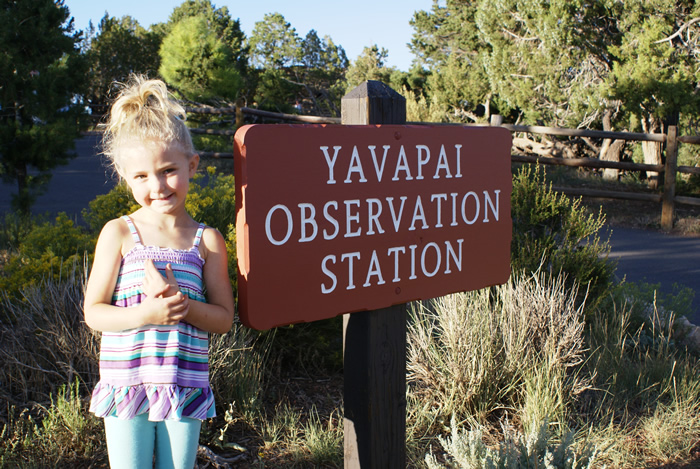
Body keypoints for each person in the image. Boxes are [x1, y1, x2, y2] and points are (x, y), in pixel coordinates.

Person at [83, 75, 235, 469]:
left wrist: (182, 305)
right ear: (125, 178)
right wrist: (146, 315)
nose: (158, 185)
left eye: (168, 170)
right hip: (126, 384)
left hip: (183, 385)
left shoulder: (208, 240)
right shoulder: (119, 233)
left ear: (192, 164)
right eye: (141, 176)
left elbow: (222, 320)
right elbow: (94, 312)